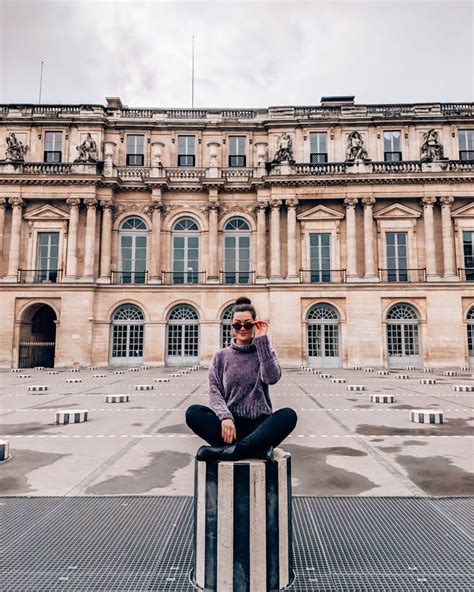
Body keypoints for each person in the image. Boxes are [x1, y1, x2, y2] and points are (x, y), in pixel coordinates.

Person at [185, 296, 298, 461]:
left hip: (259, 425)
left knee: (288, 416)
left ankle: (230, 451)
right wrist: (225, 417)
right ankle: (256, 449)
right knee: (193, 413)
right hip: (229, 427)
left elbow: (271, 378)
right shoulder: (221, 356)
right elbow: (214, 391)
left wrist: (262, 341)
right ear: (231, 325)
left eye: (248, 324)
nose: (242, 328)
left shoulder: (265, 351)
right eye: (238, 324)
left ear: (254, 324)